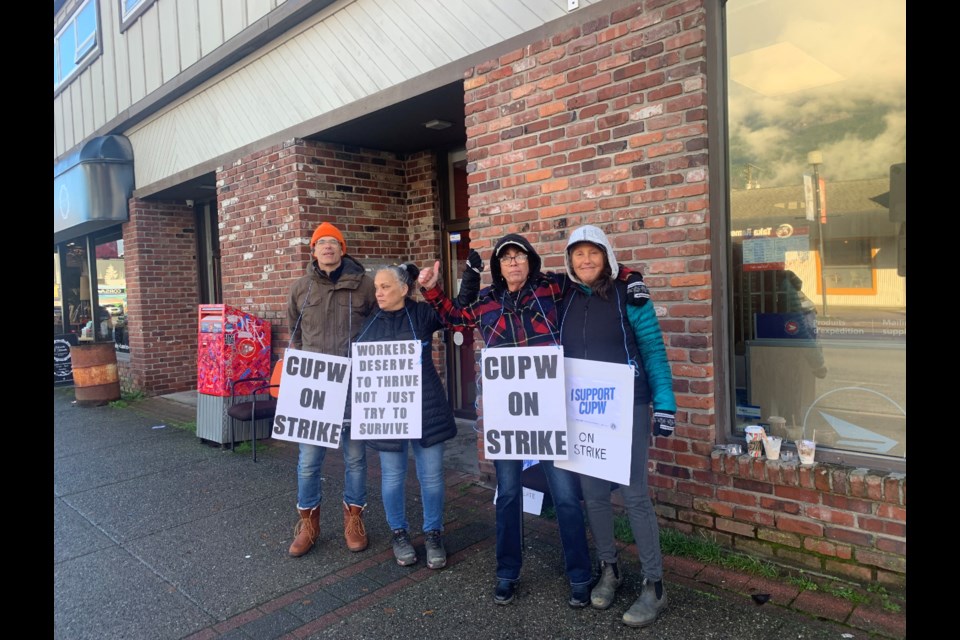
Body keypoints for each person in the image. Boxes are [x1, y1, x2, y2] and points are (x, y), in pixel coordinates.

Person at [417, 233, 649, 608]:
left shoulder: (554, 288)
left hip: (551, 414)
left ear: (531, 261)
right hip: (509, 417)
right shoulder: (487, 301)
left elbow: (593, 274)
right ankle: (507, 572)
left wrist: (634, 277)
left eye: (519, 256)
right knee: (507, 494)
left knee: (565, 495)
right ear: (498, 266)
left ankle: (580, 574)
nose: (513, 263)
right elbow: (454, 319)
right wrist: (431, 288)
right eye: (506, 258)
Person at [557, 224, 676, 628]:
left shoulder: (630, 292)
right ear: (569, 260)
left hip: (629, 403)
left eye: (593, 252)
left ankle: (654, 584)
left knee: (634, 493)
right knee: (592, 492)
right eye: (578, 253)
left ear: (607, 255)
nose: (585, 260)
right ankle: (609, 568)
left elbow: (654, 349)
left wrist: (665, 405)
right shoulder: (565, 297)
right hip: (582, 407)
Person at [353, 264, 459, 570]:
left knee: (432, 479)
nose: (379, 293)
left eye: (385, 286)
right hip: (388, 415)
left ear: (403, 288)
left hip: (427, 411)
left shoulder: (423, 314)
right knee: (392, 478)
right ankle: (398, 533)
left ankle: (433, 533)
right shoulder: (370, 323)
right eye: (377, 288)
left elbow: (455, 315)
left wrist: (435, 287)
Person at [285, 221, 377, 557]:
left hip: (354, 386)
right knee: (308, 462)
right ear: (313, 251)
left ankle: (354, 520)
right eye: (321, 243)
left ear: (343, 249)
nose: (327, 247)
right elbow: (295, 332)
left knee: (355, 459)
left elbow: (379, 327)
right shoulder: (301, 288)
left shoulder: (365, 286)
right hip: (315, 388)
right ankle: (308, 524)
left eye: (333, 242)